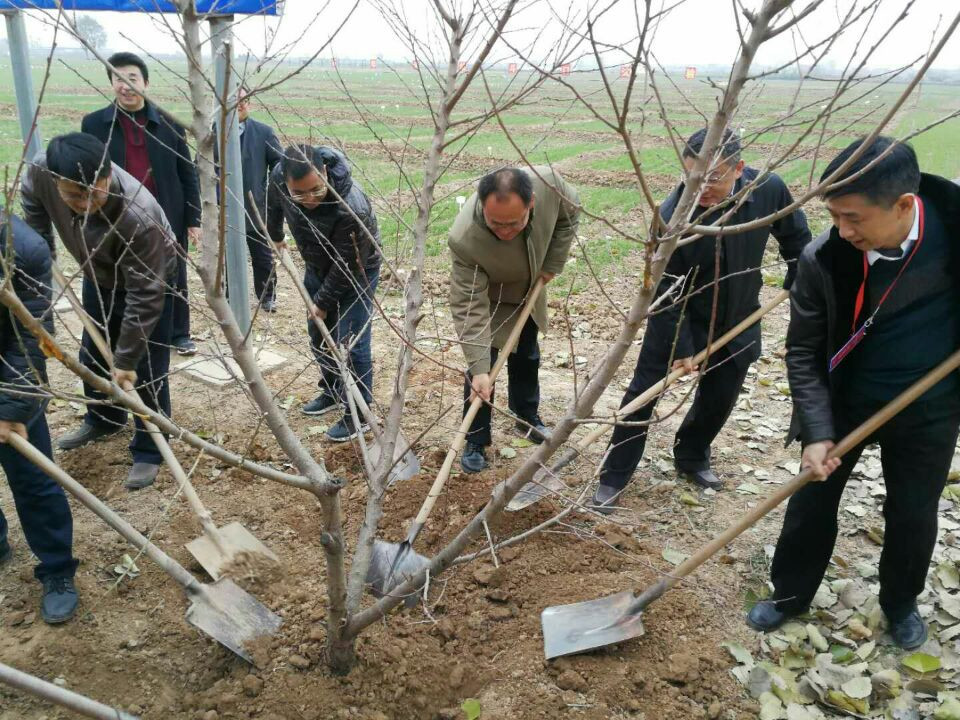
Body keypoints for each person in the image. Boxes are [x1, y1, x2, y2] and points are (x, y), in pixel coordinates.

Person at [746, 137, 960, 651]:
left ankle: (900, 602)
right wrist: (817, 432)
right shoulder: (825, 257)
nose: (843, 230)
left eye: (854, 218)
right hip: (845, 400)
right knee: (811, 498)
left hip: (931, 405)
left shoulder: (954, 229)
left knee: (913, 511)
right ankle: (790, 593)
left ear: (903, 205)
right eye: (834, 216)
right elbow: (803, 351)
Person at [591, 129, 810, 511]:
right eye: (693, 177)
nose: (701, 189)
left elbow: (796, 235)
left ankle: (692, 456)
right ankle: (613, 476)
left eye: (713, 178)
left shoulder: (768, 189)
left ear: (739, 169)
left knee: (719, 397)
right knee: (642, 395)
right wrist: (681, 347)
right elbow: (664, 293)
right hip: (680, 319)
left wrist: (799, 274)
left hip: (740, 316)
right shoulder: (671, 217)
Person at [22, 133, 178, 490]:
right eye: (74, 196)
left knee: (145, 369)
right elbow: (33, 206)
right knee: (92, 355)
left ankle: (151, 448)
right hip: (98, 272)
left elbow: (145, 295)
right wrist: (42, 250)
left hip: (152, 279)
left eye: (95, 193)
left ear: (107, 174)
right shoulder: (42, 171)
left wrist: (125, 360)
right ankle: (104, 417)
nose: (86, 204)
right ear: (56, 181)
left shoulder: (139, 215)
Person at [448, 166, 580, 474]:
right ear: (483, 205)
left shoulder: (549, 186)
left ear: (531, 203)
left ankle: (526, 416)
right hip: (491, 299)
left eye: (514, 223)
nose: (505, 231)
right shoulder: (465, 239)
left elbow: (570, 215)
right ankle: (476, 439)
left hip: (531, 287)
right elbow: (469, 307)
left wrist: (551, 263)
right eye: (496, 224)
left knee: (527, 356)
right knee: (484, 369)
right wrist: (480, 369)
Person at [81, 51, 201, 356]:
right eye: (118, 79)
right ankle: (127, 330)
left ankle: (178, 333)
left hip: (166, 215)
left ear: (145, 82)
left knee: (173, 274)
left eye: (132, 78)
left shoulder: (170, 124)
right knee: (121, 274)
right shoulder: (95, 125)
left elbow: (187, 172)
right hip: (116, 217)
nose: (125, 85)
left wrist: (193, 219)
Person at [266, 144, 381, 442]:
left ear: (325, 172)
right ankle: (332, 390)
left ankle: (358, 414)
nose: (310, 199)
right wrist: (275, 235)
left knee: (351, 341)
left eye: (316, 190)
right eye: (300, 194)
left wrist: (322, 302)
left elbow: (347, 265)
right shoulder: (279, 177)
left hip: (358, 268)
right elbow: (273, 203)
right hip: (317, 262)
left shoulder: (351, 207)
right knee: (319, 333)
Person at [0, 209, 80, 623]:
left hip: (8, 369)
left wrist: (11, 409)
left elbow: (30, 343)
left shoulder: (23, 249)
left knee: (33, 477)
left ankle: (57, 568)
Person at [214, 86, 283, 311]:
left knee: (262, 255)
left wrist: (268, 193)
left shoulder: (264, 133)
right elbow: (202, 166)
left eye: (243, 100)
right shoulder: (215, 133)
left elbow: (280, 166)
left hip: (256, 208)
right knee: (229, 255)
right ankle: (229, 295)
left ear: (249, 104)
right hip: (225, 207)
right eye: (233, 101)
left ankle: (267, 296)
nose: (239, 105)